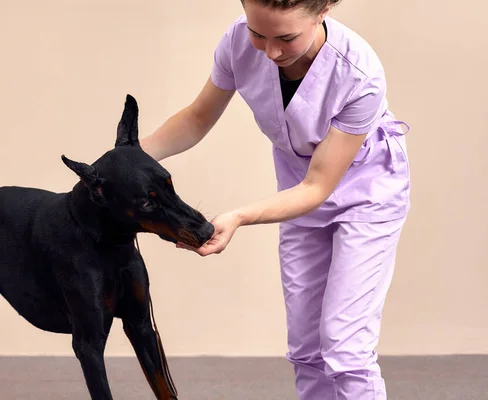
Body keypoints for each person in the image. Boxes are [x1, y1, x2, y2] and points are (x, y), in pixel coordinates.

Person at [140, 0, 410, 398]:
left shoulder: (359, 75)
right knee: (305, 348)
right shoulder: (237, 40)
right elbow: (197, 118)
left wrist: (238, 217)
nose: (271, 52)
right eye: (258, 34)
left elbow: (318, 187)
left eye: (286, 37)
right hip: (297, 188)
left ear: (324, 11)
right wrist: (125, 160)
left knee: (346, 348)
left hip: (367, 195)